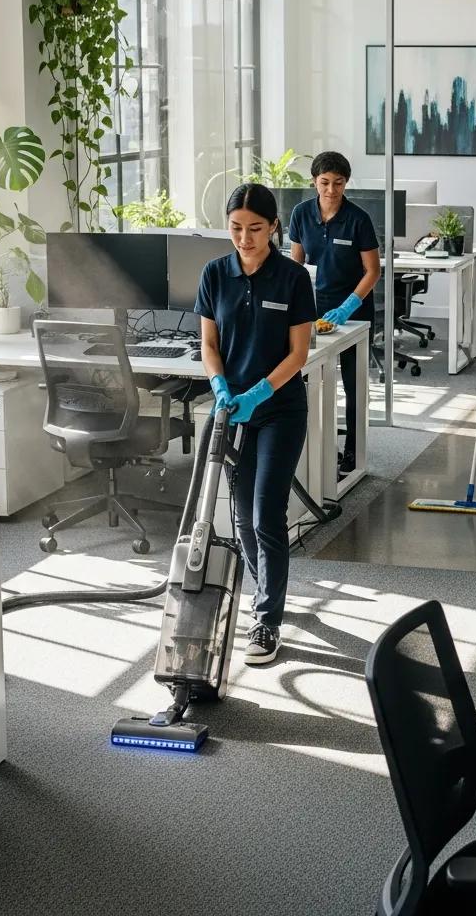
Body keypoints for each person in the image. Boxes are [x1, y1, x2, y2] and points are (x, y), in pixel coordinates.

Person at [196, 183, 317, 665]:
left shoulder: (291, 278)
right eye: (236, 229)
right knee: (241, 515)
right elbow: (208, 343)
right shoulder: (214, 274)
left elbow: (299, 352)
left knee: (267, 514)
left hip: (280, 409)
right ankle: (263, 593)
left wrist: (259, 392)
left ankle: (267, 620)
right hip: (232, 410)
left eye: (255, 229)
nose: (245, 239)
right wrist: (221, 387)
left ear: (273, 228)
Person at [289, 151, 380, 476]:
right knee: (312, 378)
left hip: (352, 310)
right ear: (314, 181)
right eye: (325, 183)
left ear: (346, 183)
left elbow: (372, 270)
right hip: (313, 310)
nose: (331, 190)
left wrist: (348, 308)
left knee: (353, 385)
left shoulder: (358, 219)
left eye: (338, 183)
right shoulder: (301, 214)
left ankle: (353, 456)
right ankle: (313, 451)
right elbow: (296, 266)